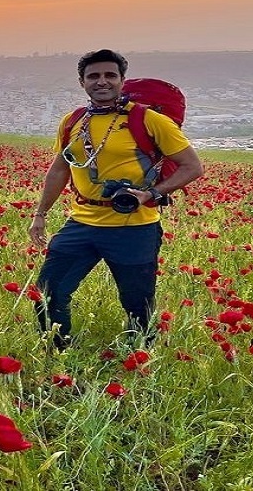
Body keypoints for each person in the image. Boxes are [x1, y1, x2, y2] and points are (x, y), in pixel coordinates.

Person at [29, 49, 203, 349]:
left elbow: (193, 166)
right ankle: (57, 352)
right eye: (93, 76)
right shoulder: (73, 121)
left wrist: (150, 194)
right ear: (82, 82)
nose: (102, 82)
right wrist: (41, 213)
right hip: (81, 223)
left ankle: (140, 359)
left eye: (110, 75)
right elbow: (60, 168)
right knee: (49, 290)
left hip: (134, 227)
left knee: (137, 301)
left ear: (122, 80)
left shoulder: (149, 120)